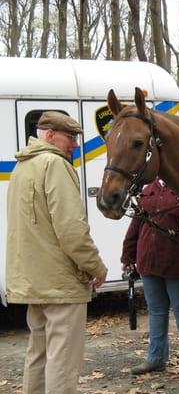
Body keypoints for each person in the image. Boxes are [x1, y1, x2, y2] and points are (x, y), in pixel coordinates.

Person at [6, 111, 108, 394]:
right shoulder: (55, 164)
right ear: (50, 135)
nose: (75, 144)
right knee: (62, 361)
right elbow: (72, 229)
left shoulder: (22, 167)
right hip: (60, 284)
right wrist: (96, 266)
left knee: (37, 355)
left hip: (32, 279)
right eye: (70, 137)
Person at [121, 178, 179, 378]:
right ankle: (156, 358)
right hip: (149, 261)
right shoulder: (149, 188)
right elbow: (136, 224)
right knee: (156, 311)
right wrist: (127, 254)